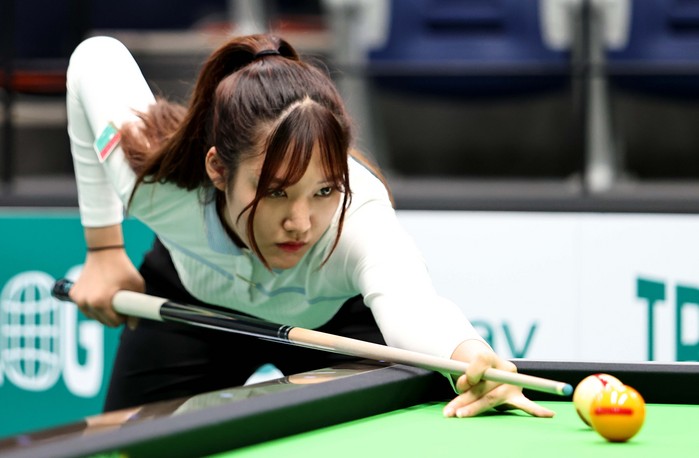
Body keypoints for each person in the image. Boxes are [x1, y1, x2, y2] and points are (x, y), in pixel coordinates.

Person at [66, 33, 554, 418]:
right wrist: (104, 249)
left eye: (323, 191)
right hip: (191, 306)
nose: (300, 223)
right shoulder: (155, 186)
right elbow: (94, 58)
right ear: (217, 170)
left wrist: (470, 355)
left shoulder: (359, 216)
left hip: (335, 323)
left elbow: (414, 305)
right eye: (275, 191)